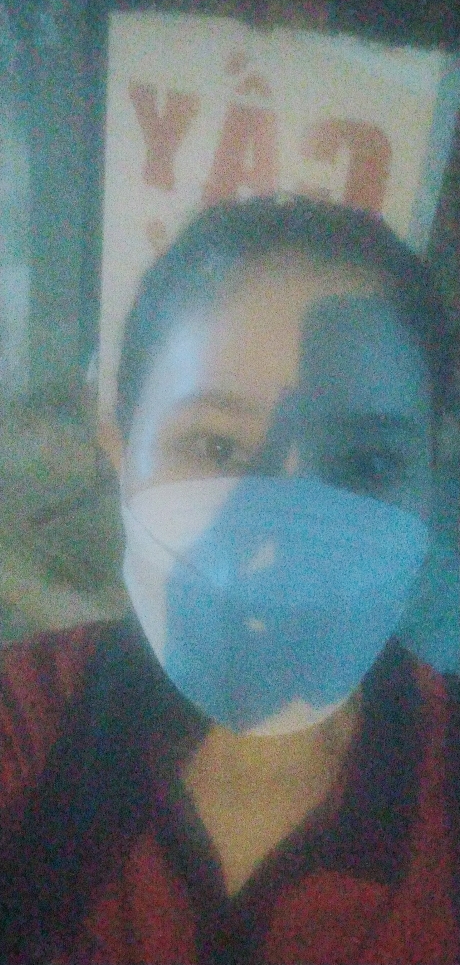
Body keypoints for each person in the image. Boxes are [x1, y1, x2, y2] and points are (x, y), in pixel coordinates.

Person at [0, 194, 459, 965]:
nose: (278, 549)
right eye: (216, 447)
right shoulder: (27, 721)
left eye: (367, 463)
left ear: (432, 483)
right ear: (119, 447)